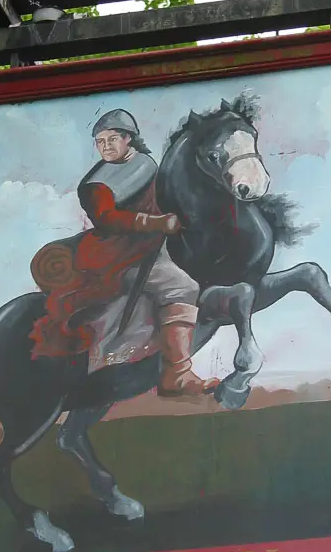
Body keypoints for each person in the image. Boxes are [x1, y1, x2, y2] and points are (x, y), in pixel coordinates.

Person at [30, 108, 218, 397]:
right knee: (183, 286)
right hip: (118, 254)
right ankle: (177, 374)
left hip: (155, 242)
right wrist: (157, 223)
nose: (105, 146)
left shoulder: (148, 164)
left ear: (128, 138)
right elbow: (107, 219)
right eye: (100, 142)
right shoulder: (96, 184)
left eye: (112, 139)